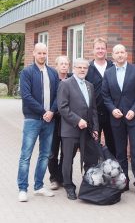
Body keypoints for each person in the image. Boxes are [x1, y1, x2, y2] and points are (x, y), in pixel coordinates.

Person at [102, 44, 135, 197]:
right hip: (116, 118)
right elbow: (105, 95)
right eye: (116, 53)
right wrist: (112, 109)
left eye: (122, 52)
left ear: (126, 54)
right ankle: (124, 182)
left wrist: (134, 110)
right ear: (113, 56)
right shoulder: (108, 73)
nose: (120, 55)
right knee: (120, 152)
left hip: (134, 118)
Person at [17, 43, 59, 202]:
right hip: (32, 119)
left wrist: (52, 111)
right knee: (26, 155)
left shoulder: (53, 72)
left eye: (44, 53)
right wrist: (44, 112)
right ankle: (22, 188)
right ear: (34, 53)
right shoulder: (27, 72)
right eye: (39, 53)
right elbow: (26, 96)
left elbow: (58, 95)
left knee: (45, 155)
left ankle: (39, 186)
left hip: (49, 120)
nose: (42, 55)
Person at [57, 58, 99, 200]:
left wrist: (95, 128)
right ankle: (69, 186)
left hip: (87, 131)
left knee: (90, 158)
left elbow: (93, 109)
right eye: (79, 67)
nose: (82, 70)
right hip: (70, 130)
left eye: (85, 68)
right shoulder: (66, 84)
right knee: (68, 160)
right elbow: (62, 107)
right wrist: (77, 120)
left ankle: (88, 186)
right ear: (73, 68)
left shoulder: (90, 86)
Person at [86, 37, 116, 156]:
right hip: (94, 114)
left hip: (111, 113)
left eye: (102, 48)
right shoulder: (87, 68)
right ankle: (92, 173)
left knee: (113, 145)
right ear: (93, 50)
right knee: (92, 146)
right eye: (97, 48)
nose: (100, 50)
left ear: (106, 50)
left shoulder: (113, 67)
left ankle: (114, 172)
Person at [48, 55, 71, 190]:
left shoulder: (73, 79)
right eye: (61, 64)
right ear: (56, 66)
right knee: (52, 152)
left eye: (66, 63)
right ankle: (54, 178)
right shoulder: (51, 80)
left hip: (68, 121)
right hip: (53, 120)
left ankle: (62, 177)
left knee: (66, 152)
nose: (64, 66)